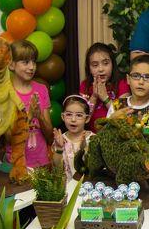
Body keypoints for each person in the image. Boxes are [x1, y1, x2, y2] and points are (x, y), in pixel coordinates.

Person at [8, 39, 54, 169]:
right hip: (16, 165)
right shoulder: (6, 93)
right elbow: (9, 137)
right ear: (11, 65)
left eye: (34, 62)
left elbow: (49, 135)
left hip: (42, 162)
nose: (32, 67)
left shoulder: (41, 89)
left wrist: (39, 116)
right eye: (25, 62)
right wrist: (29, 116)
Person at [79, 42, 129, 128]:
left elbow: (123, 116)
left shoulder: (122, 83)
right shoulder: (85, 85)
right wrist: (94, 96)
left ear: (112, 64)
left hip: (115, 132)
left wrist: (105, 97)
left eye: (105, 63)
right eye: (95, 65)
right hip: (91, 133)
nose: (101, 69)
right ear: (89, 68)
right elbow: (81, 118)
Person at [109, 54, 149, 118]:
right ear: (128, 79)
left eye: (147, 77)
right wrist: (111, 120)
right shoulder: (117, 105)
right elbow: (105, 124)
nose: (141, 82)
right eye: (136, 76)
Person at [52, 94, 91, 179]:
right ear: (63, 116)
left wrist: (83, 150)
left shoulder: (93, 139)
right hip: (66, 186)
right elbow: (56, 169)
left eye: (79, 115)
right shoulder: (60, 139)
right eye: (69, 114)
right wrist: (59, 148)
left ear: (87, 118)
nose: (73, 119)